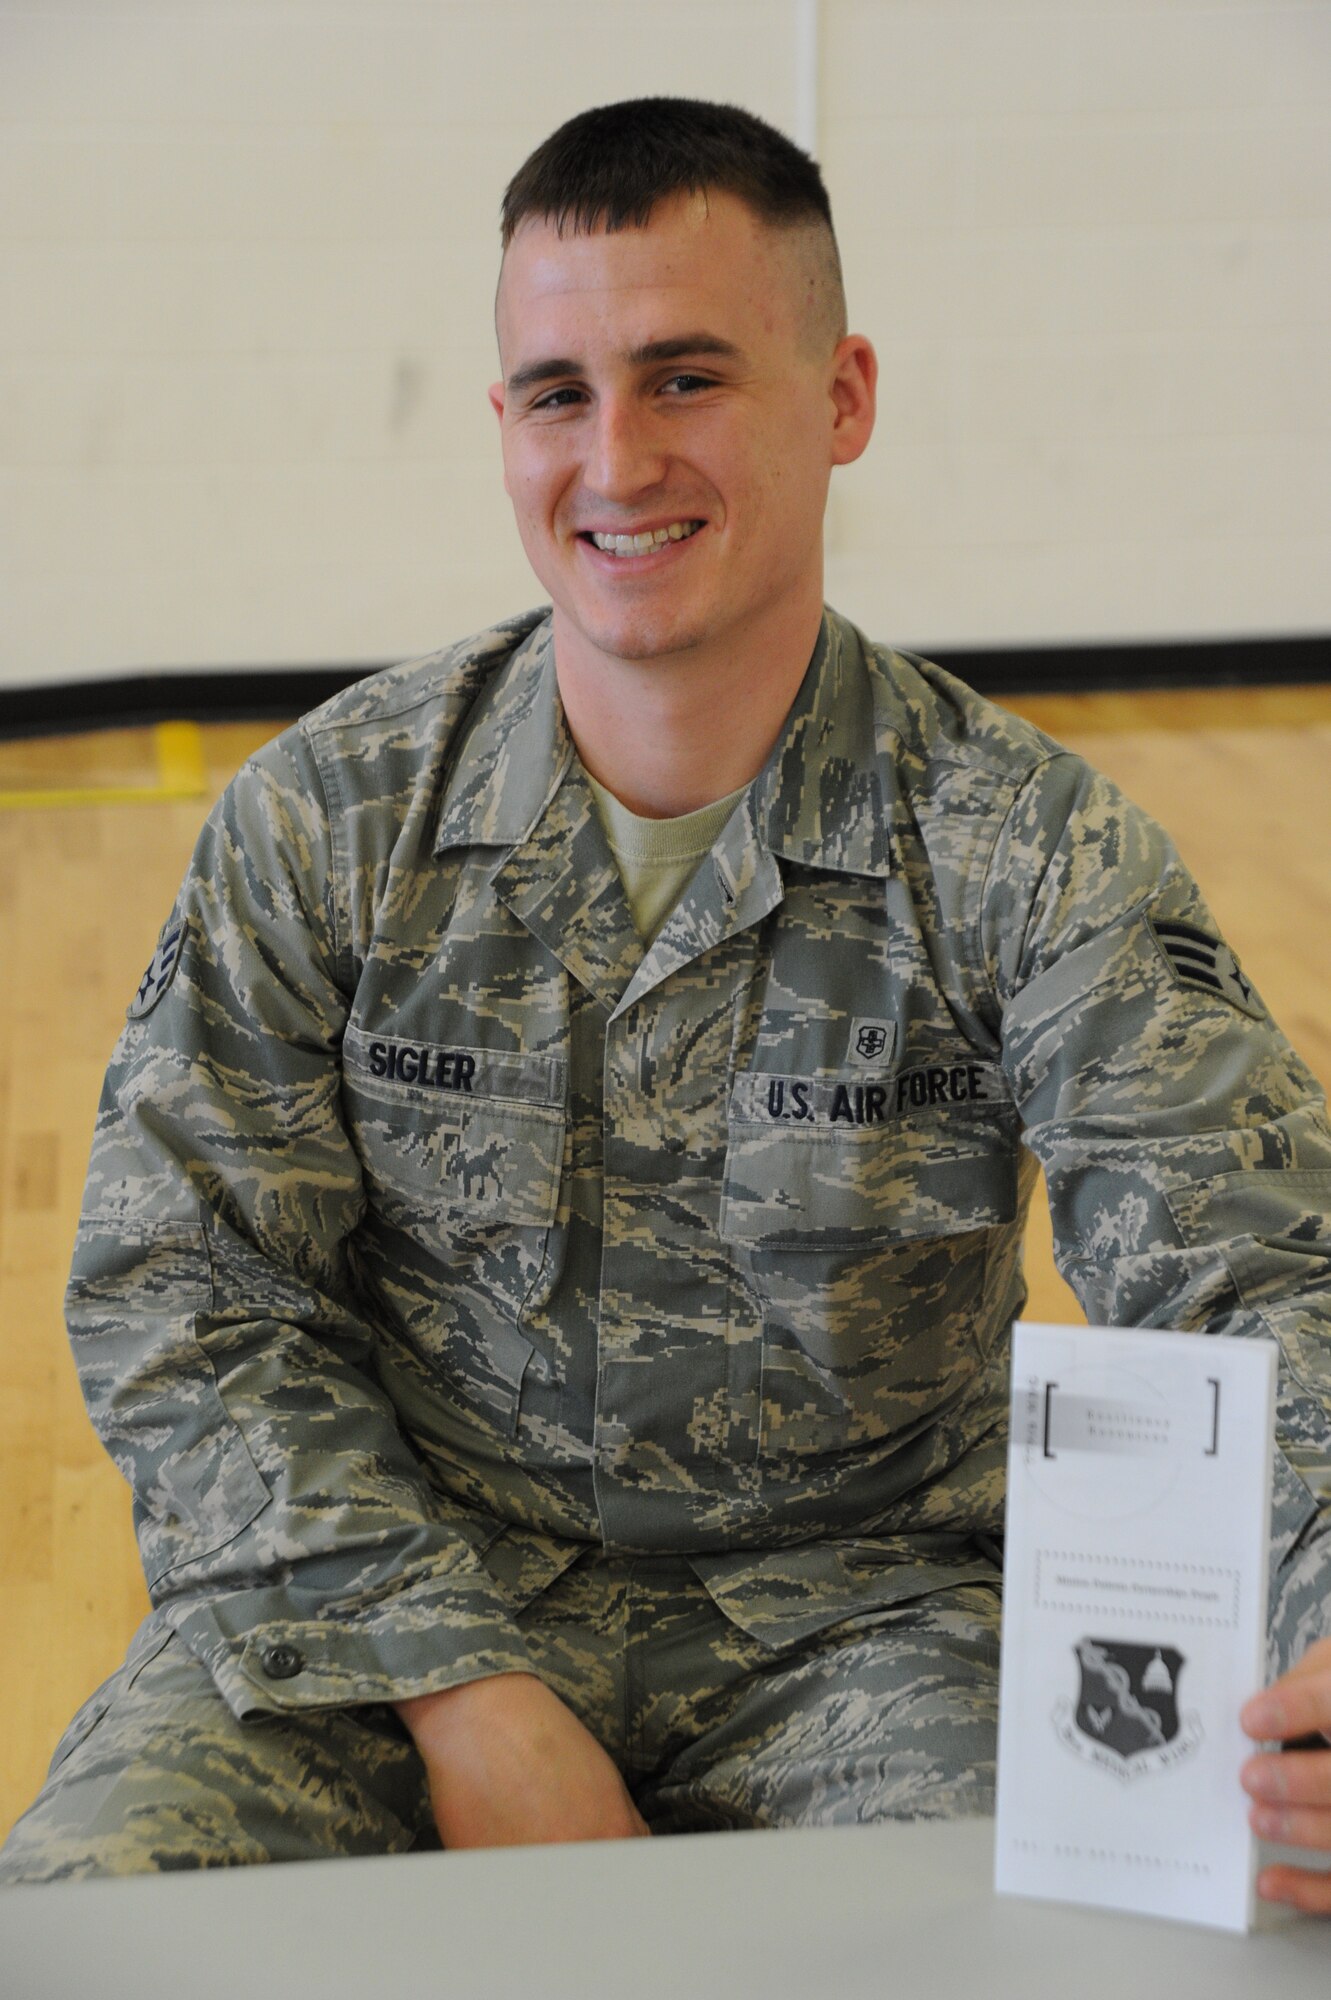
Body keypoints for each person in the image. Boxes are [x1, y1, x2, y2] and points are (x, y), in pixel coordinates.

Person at [2, 96, 1330, 1908]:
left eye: (686, 377)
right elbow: (187, 1290)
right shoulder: (334, 819)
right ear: (503, 425)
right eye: (558, 392)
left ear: (843, 397)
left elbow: (1253, 1278)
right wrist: (472, 1697)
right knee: (95, 1914)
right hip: (391, 1603)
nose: (615, 462)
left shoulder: (1031, 851)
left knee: (1055, 1944)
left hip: (868, 1621)